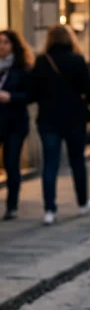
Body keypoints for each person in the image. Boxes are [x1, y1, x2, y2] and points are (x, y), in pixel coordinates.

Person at [33, 24, 90, 225]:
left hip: (48, 118)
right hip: (74, 117)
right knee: (77, 160)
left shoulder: (42, 61)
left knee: (49, 163)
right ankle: (82, 202)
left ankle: (49, 209)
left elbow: (33, 90)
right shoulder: (77, 60)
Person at [0, 30, 34, 220]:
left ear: (13, 45)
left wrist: (10, 96)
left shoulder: (21, 68)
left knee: (11, 163)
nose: (1, 46)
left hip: (15, 123)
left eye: (5, 42)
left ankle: (12, 205)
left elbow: (30, 95)